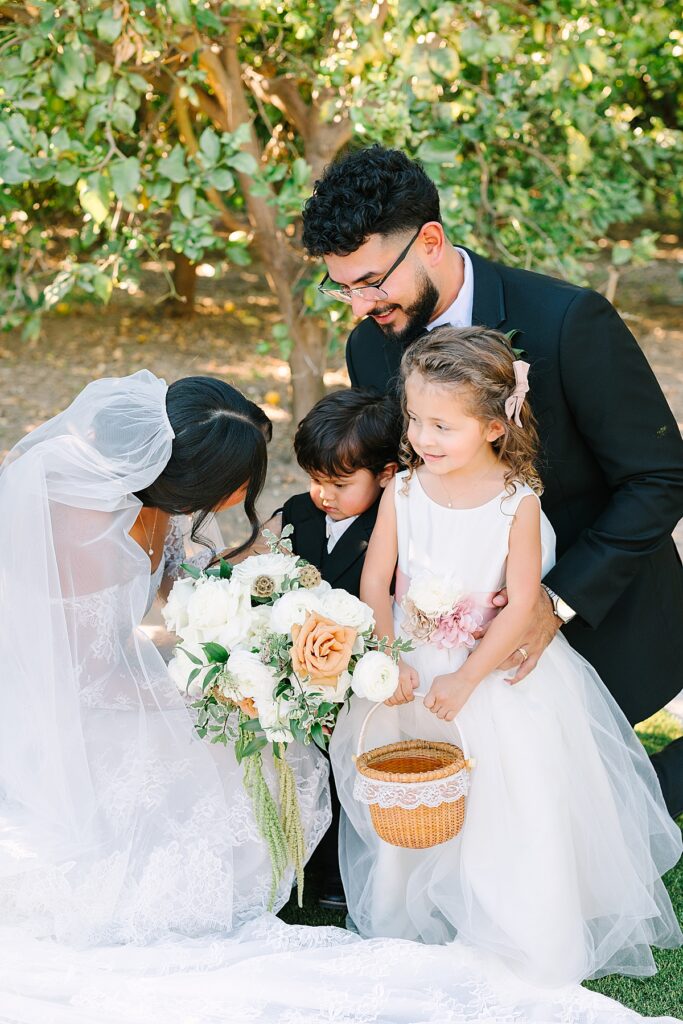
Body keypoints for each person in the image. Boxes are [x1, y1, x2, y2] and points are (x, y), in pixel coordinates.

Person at [302, 144, 683, 816]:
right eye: (343, 287)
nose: (360, 306)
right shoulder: (370, 346)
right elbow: (403, 483)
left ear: (429, 241)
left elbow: (659, 477)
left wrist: (553, 604)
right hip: (444, 635)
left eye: (371, 281)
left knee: (595, 808)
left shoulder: (568, 322)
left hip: (596, 619)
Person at [330, 326, 682, 987]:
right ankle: (410, 917)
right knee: (416, 794)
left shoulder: (515, 502)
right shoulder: (403, 491)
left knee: (504, 795)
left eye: (442, 425)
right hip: (413, 667)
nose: (423, 438)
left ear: (494, 426)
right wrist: (385, 656)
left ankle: (515, 927)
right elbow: (376, 581)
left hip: (489, 671)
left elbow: (522, 605)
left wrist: (468, 677)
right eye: (415, 420)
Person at [0, 369, 330, 947]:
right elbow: (88, 679)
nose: (243, 493)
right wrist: (209, 688)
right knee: (217, 745)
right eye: (238, 481)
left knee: (253, 730)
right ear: (196, 479)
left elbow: (180, 584)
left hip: (117, 670)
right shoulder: (86, 535)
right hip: (69, 703)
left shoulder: (159, 491)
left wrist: (253, 617)